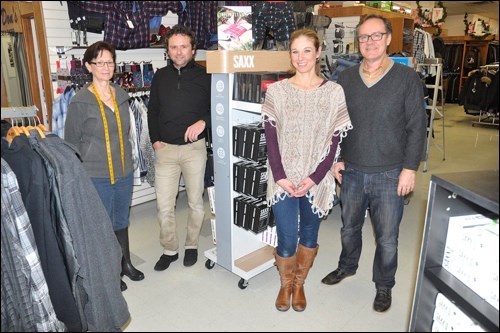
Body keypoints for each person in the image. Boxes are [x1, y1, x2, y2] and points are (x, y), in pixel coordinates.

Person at [320, 14, 427, 313]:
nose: (370, 42)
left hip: (391, 173)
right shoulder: (346, 78)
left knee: (388, 239)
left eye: (376, 36)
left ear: (388, 38)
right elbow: (336, 123)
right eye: (364, 37)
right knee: (348, 228)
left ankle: (384, 285)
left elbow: (417, 127)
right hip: (352, 171)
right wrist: (336, 159)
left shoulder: (407, 79)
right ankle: (347, 266)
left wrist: (409, 168)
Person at [262, 28, 352, 312]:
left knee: (310, 237)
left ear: (317, 53)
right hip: (283, 181)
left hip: (319, 181)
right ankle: (285, 283)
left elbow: (335, 140)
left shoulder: (334, 93)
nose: (300, 58)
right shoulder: (276, 91)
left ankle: (299, 284)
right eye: (295, 51)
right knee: (287, 241)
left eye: (306, 51)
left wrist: (314, 178)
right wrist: (281, 177)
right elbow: (271, 138)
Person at [65, 41, 145, 292]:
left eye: (109, 61)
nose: (106, 66)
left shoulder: (121, 94)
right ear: (89, 66)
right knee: (103, 225)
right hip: (95, 174)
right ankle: (109, 271)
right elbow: (71, 143)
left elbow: (128, 133)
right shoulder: (80, 101)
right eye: (99, 62)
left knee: (121, 220)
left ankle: (126, 264)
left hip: (123, 172)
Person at [147, 24, 211, 270]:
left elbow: (216, 109)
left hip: (195, 149)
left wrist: (203, 121)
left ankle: (192, 245)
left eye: (184, 46)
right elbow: (152, 111)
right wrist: (155, 141)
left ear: (193, 49)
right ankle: (170, 249)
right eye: (174, 47)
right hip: (166, 151)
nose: (179, 51)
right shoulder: (160, 76)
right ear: (168, 51)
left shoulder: (206, 76)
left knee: (195, 202)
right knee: (164, 206)